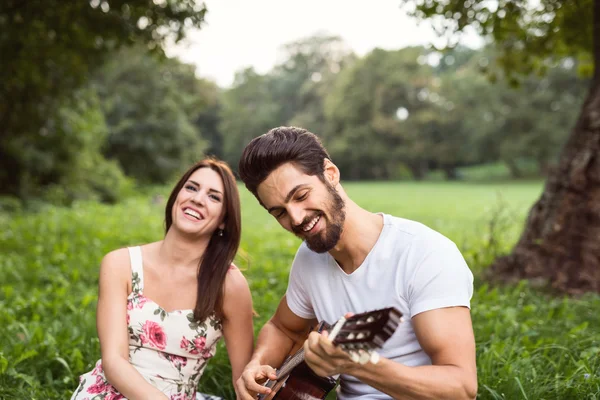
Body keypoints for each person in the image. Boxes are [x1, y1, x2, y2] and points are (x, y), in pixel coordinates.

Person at [235, 127, 477, 400]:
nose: (296, 218)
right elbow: (282, 327)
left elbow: (461, 388)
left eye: (301, 196)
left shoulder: (425, 253)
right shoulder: (309, 259)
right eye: (279, 212)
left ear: (330, 174)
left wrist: (357, 364)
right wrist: (257, 363)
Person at [71, 157, 254, 400]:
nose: (197, 199)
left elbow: (245, 380)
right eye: (191, 187)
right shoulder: (120, 264)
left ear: (223, 219)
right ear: (177, 197)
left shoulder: (230, 284)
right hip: (111, 393)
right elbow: (114, 362)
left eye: (214, 197)